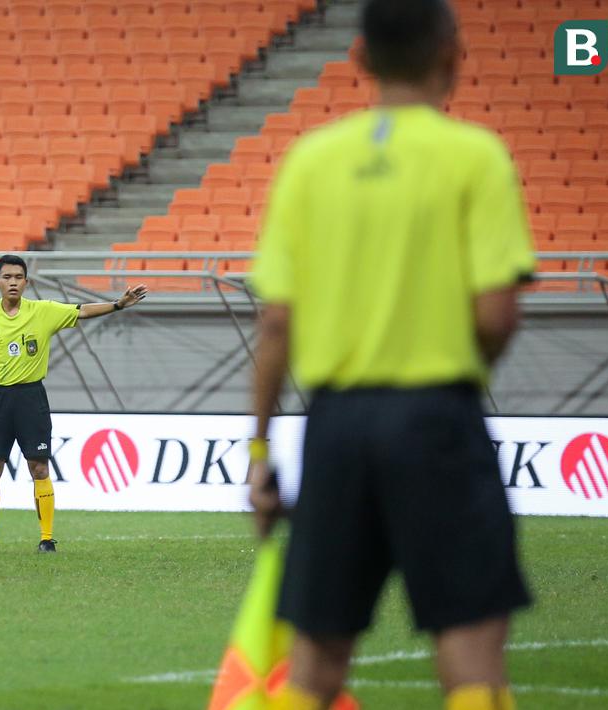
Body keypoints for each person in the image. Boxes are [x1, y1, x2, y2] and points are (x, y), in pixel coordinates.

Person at [245, 1, 535, 708]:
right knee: (469, 652)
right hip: (436, 416)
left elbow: (276, 321)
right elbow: (496, 315)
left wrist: (258, 453)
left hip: (337, 426)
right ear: (452, 55)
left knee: (314, 659)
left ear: (358, 61)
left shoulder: (311, 160)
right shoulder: (474, 156)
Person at [0, 254, 147, 553]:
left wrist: (117, 304)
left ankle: (46, 538)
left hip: (31, 397)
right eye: (7, 277)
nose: (13, 282)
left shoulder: (43, 311)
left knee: (39, 468)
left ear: (26, 282)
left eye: (18, 277)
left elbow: (82, 311)